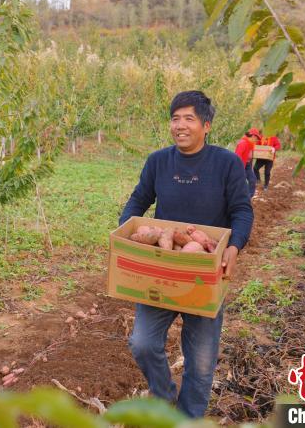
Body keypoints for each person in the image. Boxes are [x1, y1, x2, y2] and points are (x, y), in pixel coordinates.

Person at [118, 90, 254, 418]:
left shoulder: (227, 163)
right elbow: (138, 201)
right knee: (143, 343)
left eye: (189, 118)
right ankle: (165, 398)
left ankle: (188, 420)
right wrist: (127, 233)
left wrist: (234, 246)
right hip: (162, 271)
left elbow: (241, 211)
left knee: (202, 363)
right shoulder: (158, 162)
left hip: (204, 274)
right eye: (175, 118)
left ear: (206, 126)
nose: (180, 125)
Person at [234, 128, 261, 197]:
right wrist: (239, 169)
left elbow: (250, 157)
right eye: (256, 138)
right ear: (253, 136)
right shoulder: (243, 143)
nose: (257, 140)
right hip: (240, 165)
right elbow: (237, 157)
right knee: (240, 183)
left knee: (253, 180)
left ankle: (248, 197)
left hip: (247, 165)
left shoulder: (251, 144)